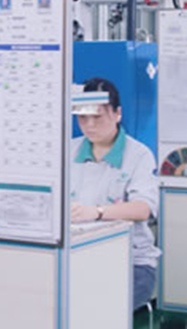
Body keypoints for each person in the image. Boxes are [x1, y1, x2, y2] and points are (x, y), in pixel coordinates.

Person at [70, 77, 161, 311]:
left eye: (98, 117)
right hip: (78, 255)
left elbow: (143, 209)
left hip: (131, 263)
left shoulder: (139, 155)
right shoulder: (68, 150)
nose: (89, 125)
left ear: (117, 114)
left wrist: (97, 212)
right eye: (82, 118)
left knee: (96, 308)